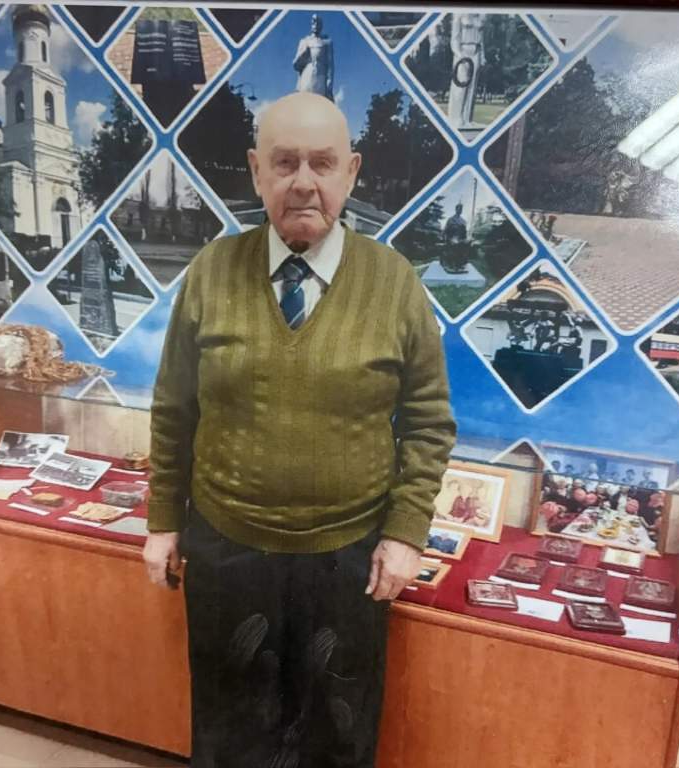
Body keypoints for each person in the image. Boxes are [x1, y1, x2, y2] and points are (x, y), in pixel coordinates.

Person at [143, 91, 456, 768]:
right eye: (285, 163)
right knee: (231, 729)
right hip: (226, 548)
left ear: (352, 172)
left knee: (336, 735)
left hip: (349, 557)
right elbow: (174, 408)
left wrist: (406, 533)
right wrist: (163, 521)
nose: (304, 183)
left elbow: (429, 422)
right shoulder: (210, 272)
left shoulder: (395, 282)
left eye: (323, 163)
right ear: (257, 171)